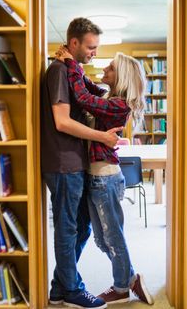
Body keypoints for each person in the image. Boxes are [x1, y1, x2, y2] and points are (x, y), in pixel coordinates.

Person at [55, 47, 154, 305]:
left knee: (113, 237)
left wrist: (71, 65)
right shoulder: (110, 97)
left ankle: (122, 287)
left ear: (120, 76)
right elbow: (88, 88)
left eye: (109, 68)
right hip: (96, 176)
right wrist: (74, 66)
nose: (104, 70)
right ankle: (130, 278)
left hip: (105, 178)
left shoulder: (118, 105)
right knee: (101, 238)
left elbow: (83, 98)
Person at [41, 17, 122, 309]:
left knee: (82, 225)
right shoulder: (58, 71)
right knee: (68, 227)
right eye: (90, 47)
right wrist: (102, 135)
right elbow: (62, 122)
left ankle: (60, 286)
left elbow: (91, 95)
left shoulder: (70, 70)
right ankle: (71, 290)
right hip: (63, 162)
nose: (94, 53)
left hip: (74, 161)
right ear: (73, 43)